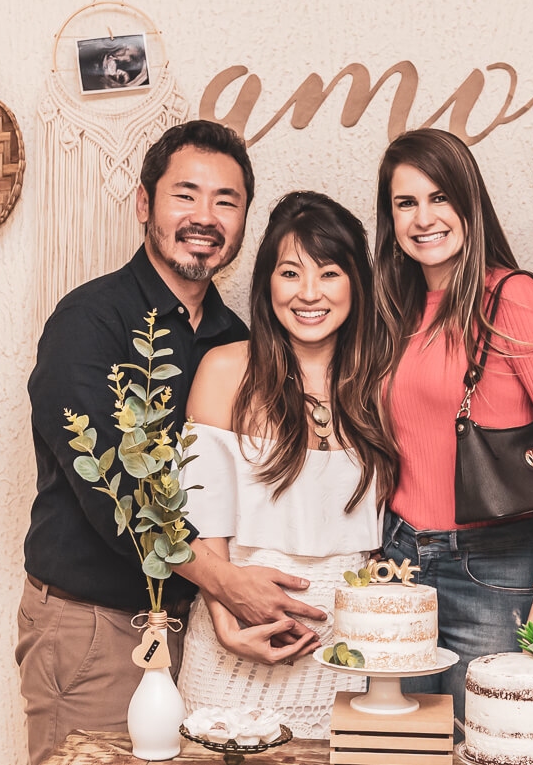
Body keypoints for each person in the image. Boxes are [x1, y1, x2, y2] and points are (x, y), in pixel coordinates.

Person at [17, 121, 326, 765]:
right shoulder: (87, 322)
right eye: (186, 194)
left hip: (204, 638)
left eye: (227, 201)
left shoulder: (234, 341)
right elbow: (114, 496)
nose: (205, 217)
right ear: (143, 205)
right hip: (95, 629)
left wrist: (229, 605)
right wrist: (228, 587)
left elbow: (238, 498)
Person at [373, 128, 533, 723]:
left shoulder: (512, 299)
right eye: (405, 202)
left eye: (440, 197)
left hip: (495, 572)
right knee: (406, 753)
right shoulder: (393, 308)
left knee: (498, 745)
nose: (424, 217)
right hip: (401, 567)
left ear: (469, 202)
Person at [176, 190, 396, 738]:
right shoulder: (225, 369)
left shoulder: (383, 382)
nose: (309, 294)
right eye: (291, 273)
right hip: (233, 649)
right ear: (266, 282)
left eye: (329, 273)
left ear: (356, 284)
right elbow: (200, 525)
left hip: (346, 661)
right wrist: (227, 619)